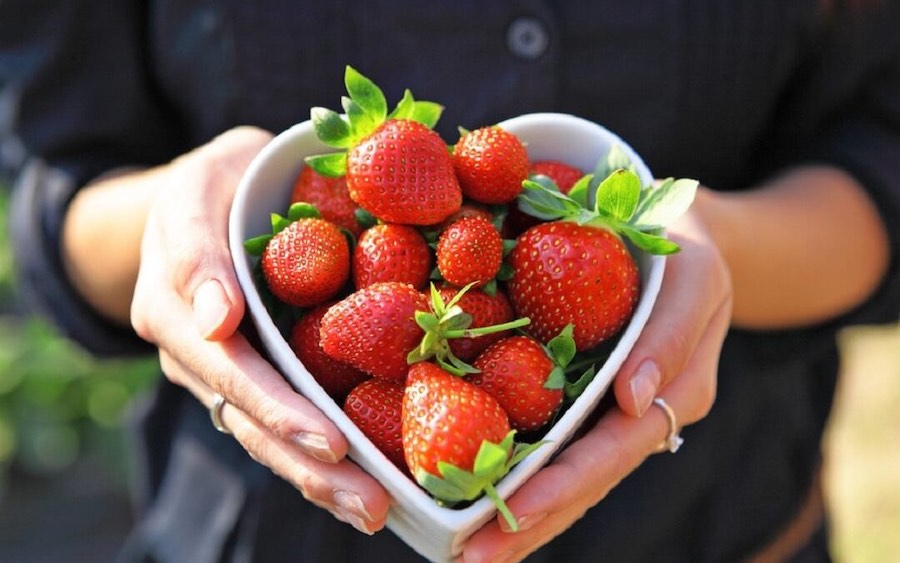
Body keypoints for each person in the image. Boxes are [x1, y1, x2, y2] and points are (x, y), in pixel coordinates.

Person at [1, 1, 898, 561]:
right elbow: (60, 193)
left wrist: (712, 245)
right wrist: (178, 218)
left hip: (720, 525)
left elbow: (880, 160)